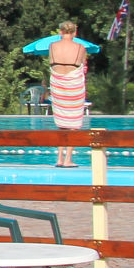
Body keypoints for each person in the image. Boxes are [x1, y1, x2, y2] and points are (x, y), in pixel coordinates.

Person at [48, 21, 91, 166]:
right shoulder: (81, 47)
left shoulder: (52, 46)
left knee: (61, 123)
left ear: (60, 32)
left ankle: (59, 158)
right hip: (74, 84)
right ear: (75, 33)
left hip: (57, 83)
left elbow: (51, 62)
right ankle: (68, 159)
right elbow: (83, 65)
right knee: (73, 123)